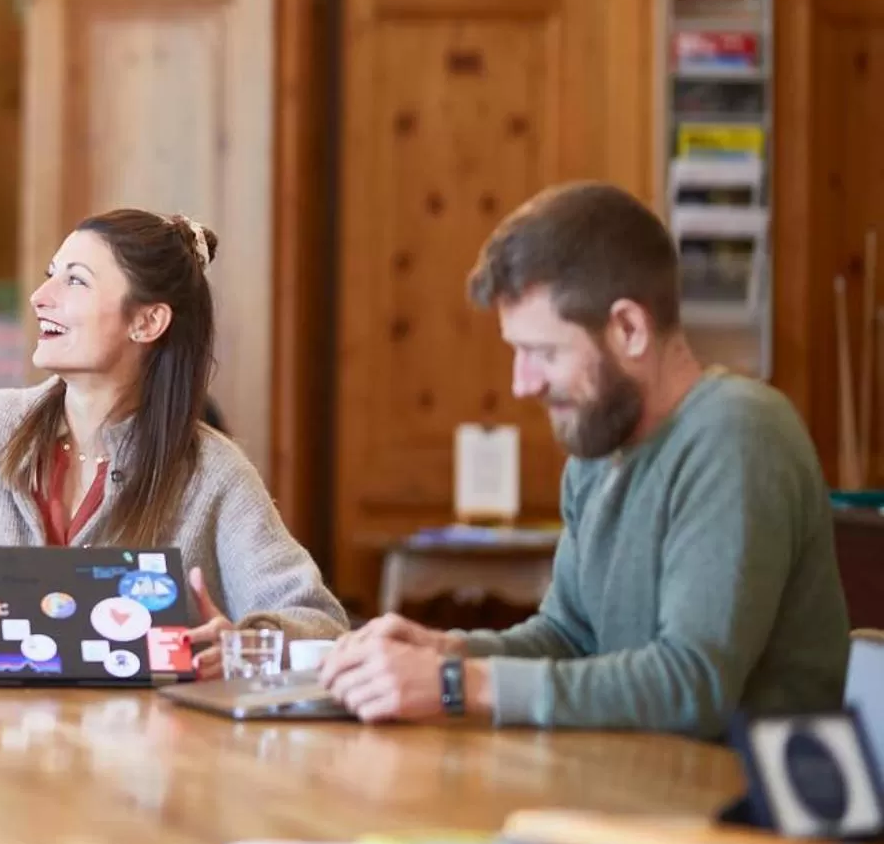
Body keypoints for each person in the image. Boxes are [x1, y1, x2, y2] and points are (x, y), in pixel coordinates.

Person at [321, 181, 851, 737]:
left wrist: (459, 683)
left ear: (629, 329)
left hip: (744, 789)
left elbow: (691, 686)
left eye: (543, 352)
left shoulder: (738, 433)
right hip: (633, 779)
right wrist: (445, 651)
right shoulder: (600, 446)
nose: (522, 384)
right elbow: (569, 639)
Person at [0, 209, 345, 674]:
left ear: (146, 322)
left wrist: (244, 644)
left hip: (143, 739)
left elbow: (319, 622)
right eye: (51, 274)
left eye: (76, 281)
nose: (41, 297)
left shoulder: (213, 470)